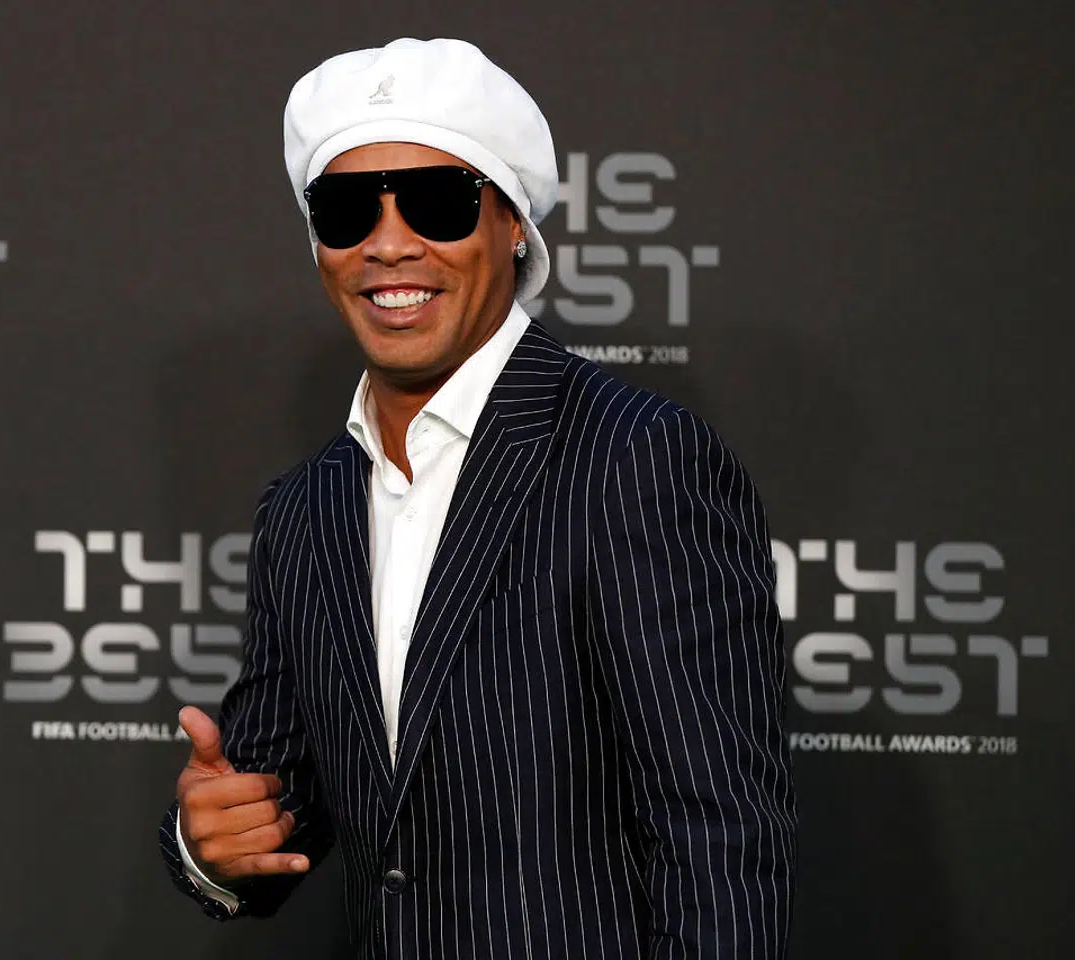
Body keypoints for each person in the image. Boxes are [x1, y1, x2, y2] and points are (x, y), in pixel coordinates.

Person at [158, 36, 797, 959]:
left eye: (436, 201)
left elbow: (721, 843)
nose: (387, 243)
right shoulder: (301, 510)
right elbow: (274, 808)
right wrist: (213, 844)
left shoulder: (634, 457)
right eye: (345, 210)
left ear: (513, 227)